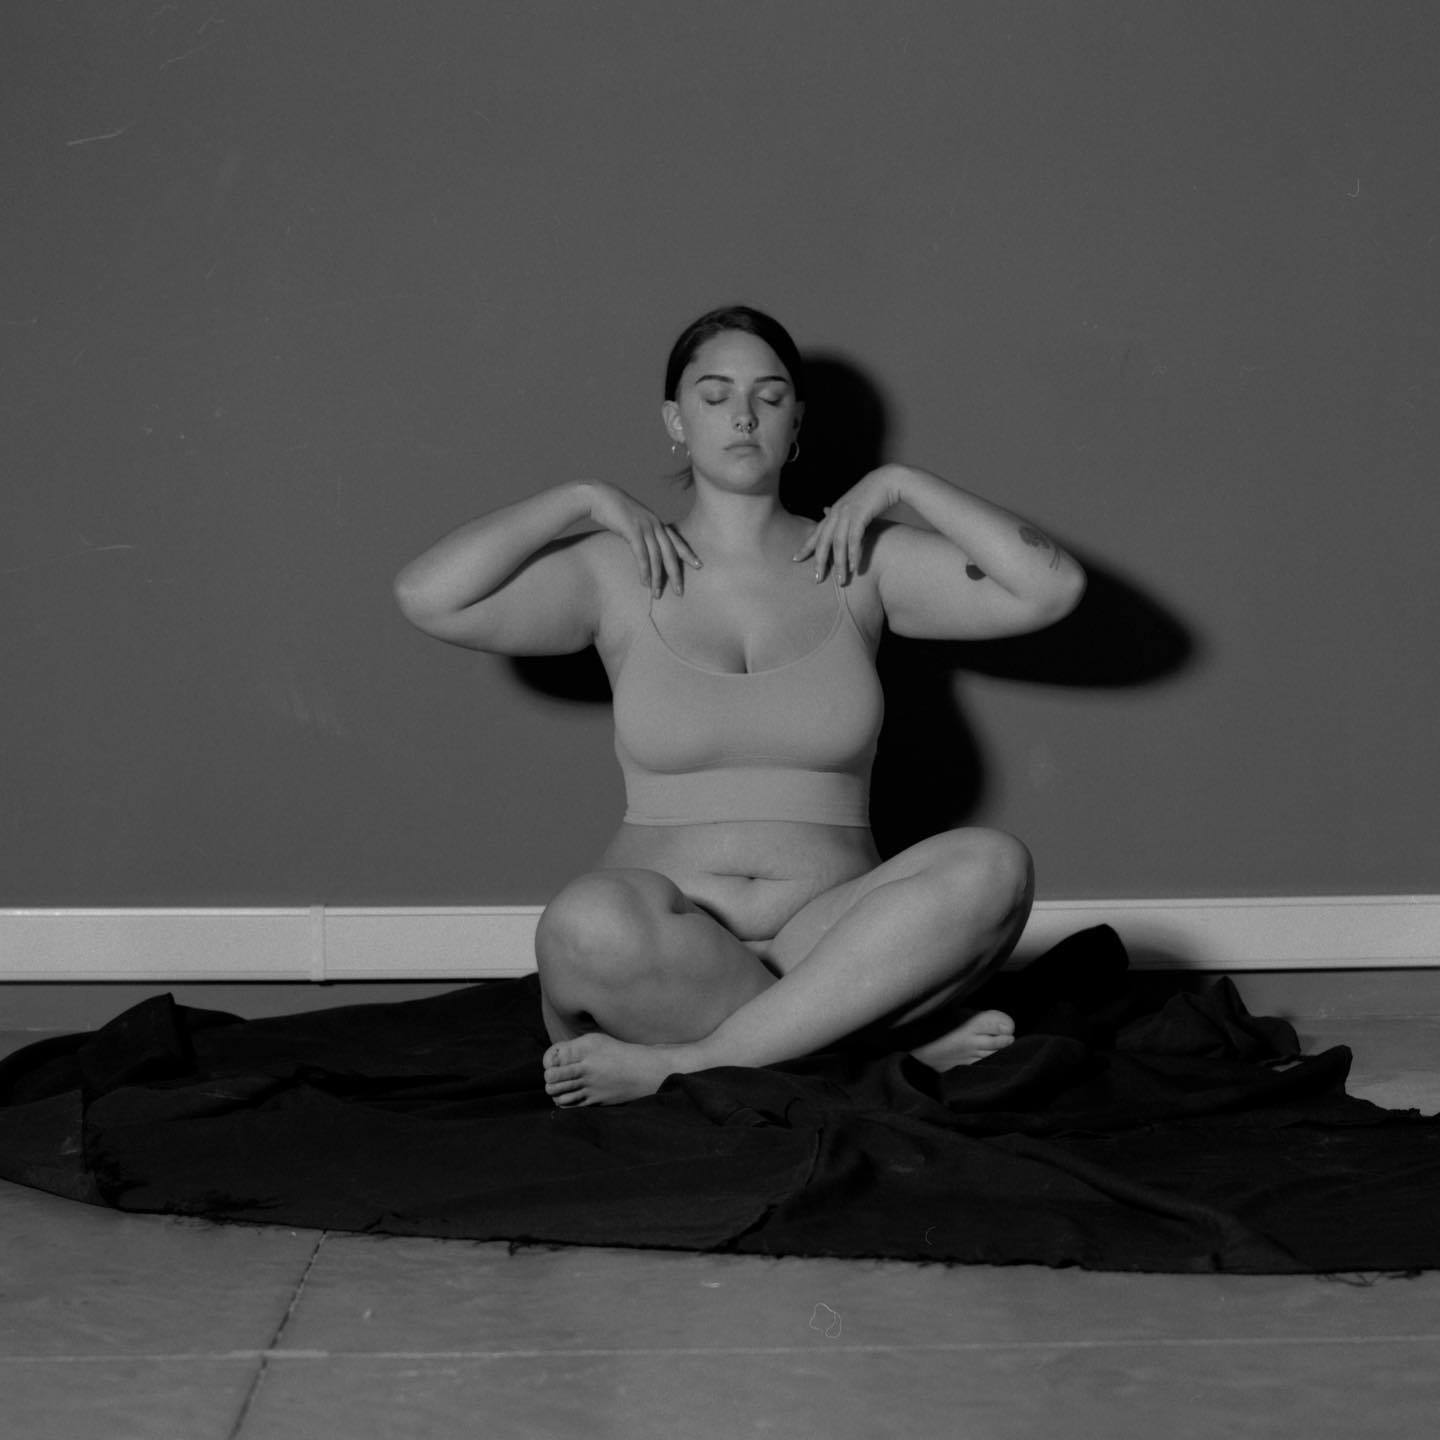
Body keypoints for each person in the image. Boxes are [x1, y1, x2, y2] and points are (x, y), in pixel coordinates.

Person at [394, 305, 1086, 1106]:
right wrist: (583, 498)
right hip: (659, 959)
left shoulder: (860, 562)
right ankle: (863, 1052)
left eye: (770, 395)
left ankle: (695, 1065)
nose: (744, 415)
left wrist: (902, 484)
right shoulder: (615, 569)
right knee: (583, 923)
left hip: (837, 953)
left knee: (994, 866)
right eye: (715, 394)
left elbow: (1051, 587)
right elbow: (427, 595)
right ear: (676, 421)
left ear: (796, 424)